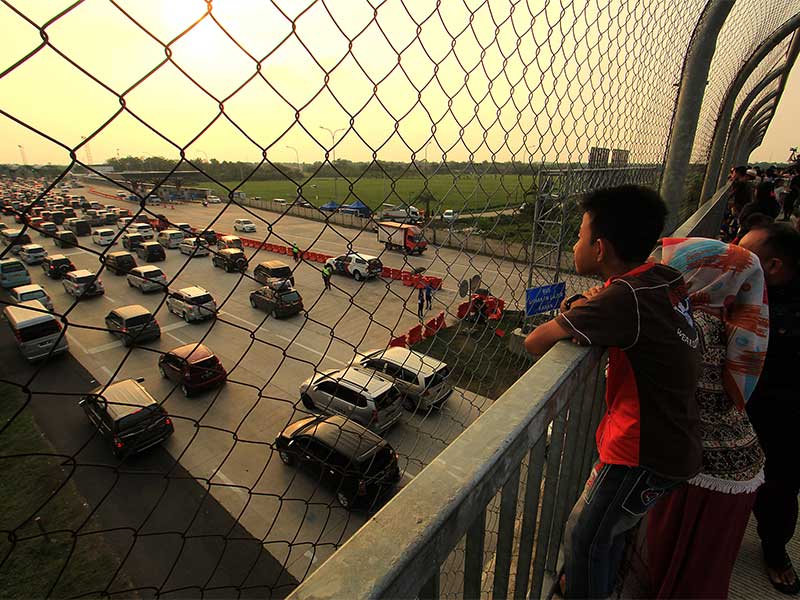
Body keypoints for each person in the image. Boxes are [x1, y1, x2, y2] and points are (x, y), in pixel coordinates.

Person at [524, 185, 702, 599]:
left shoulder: (623, 299)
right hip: (673, 439)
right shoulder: (660, 278)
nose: (575, 244)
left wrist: (586, 307)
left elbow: (535, 341)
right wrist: (591, 303)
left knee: (585, 537)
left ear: (600, 248)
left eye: (579, 236)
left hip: (643, 452)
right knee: (609, 531)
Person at [647, 238, 769, 599]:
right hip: (741, 466)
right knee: (705, 571)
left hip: (702, 471)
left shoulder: (688, 324)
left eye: (669, 269)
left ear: (694, 275)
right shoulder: (730, 319)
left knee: (670, 565)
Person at [739, 223, 800, 595]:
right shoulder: (745, 289)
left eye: (745, 252)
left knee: (778, 487)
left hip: (785, 418)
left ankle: (775, 550)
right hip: (742, 407)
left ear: (774, 266)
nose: (734, 254)